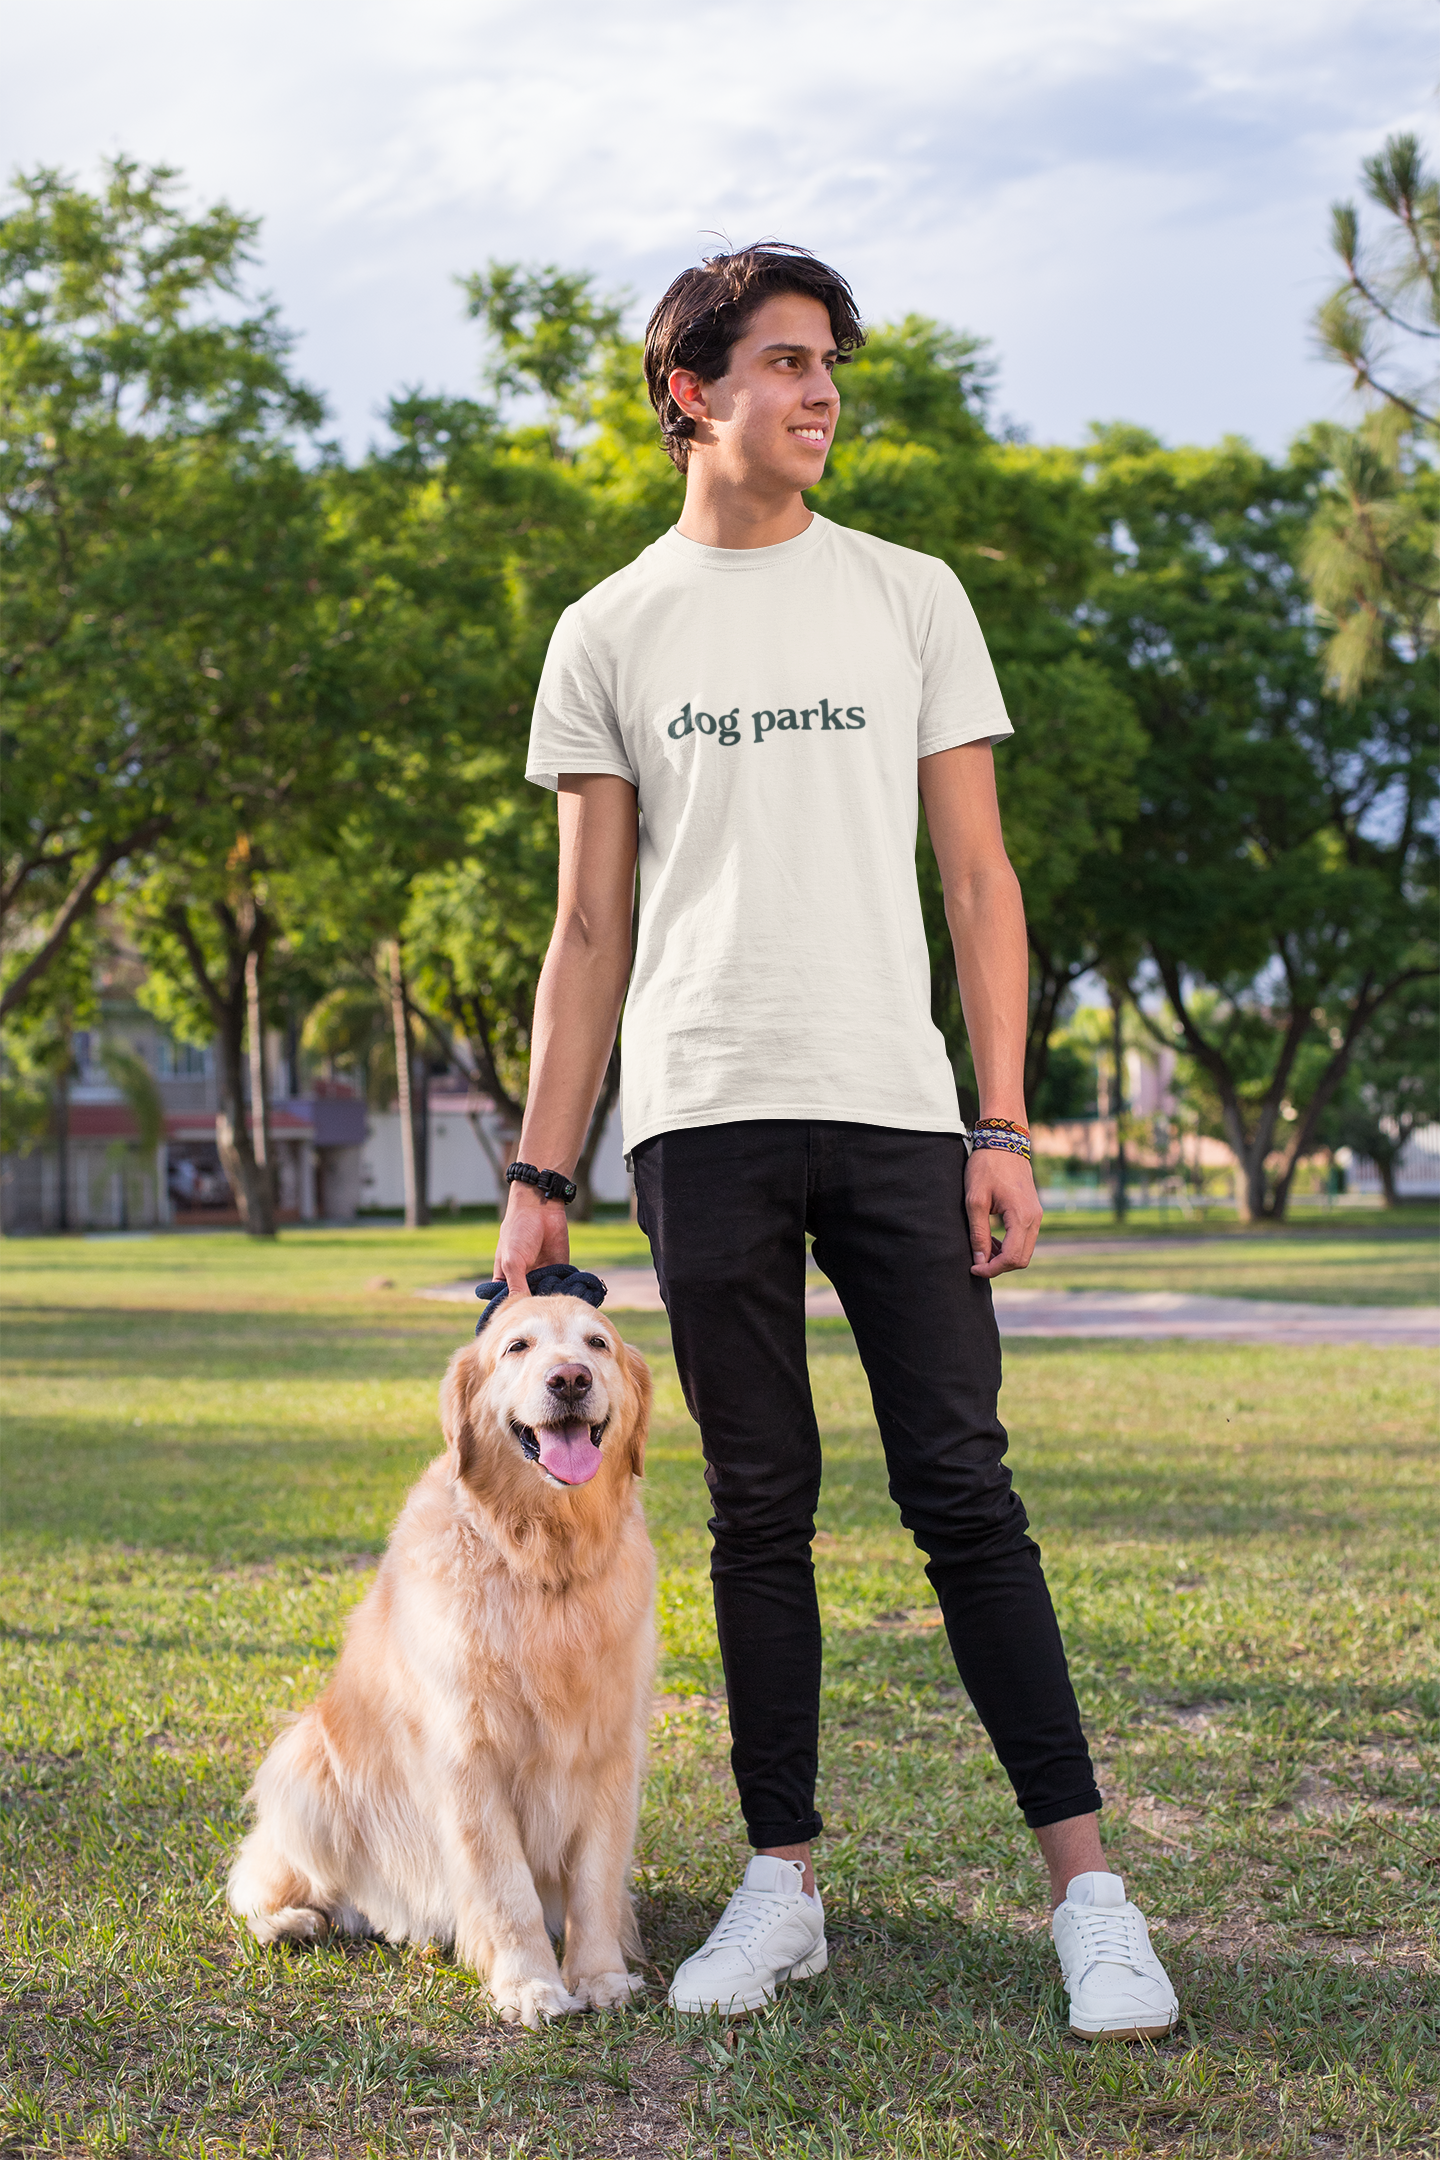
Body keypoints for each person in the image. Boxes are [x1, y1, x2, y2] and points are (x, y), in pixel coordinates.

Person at [495, 243, 1179, 2041]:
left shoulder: (910, 594)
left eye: (831, 368)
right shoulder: (608, 631)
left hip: (893, 1107)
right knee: (759, 1510)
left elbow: (979, 877)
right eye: (787, 364)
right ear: (691, 392)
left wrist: (1003, 1119)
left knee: (966, 1494)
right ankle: (780, 1881)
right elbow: (588, 936)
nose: (821, 396)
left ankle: (1088, 1896)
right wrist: (539, 1179)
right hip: (702, 1115)